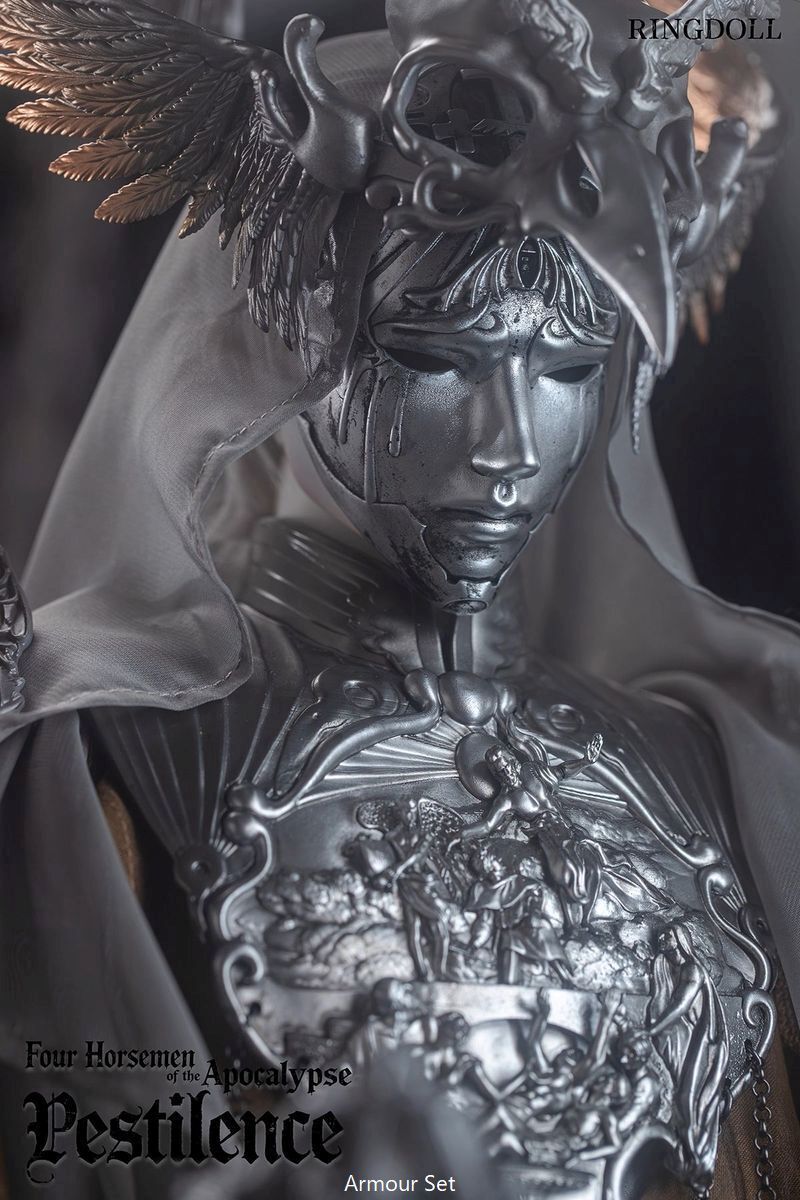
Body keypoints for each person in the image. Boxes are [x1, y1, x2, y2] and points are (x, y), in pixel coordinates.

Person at [0, 1, 799, 1198]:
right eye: (432, 357)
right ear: (286, 345)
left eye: (568, 369)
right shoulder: (99, 760)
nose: (507, 448)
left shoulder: (717, 766)